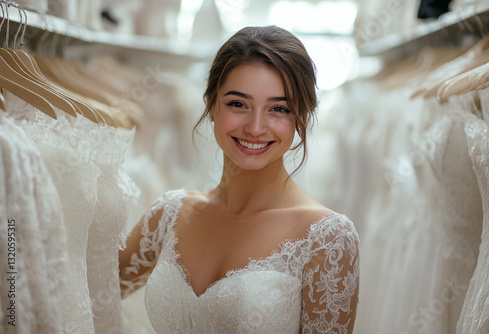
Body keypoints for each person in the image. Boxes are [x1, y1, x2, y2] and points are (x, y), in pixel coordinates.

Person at [119, 25, 359, 334]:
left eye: (279, 109)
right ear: (211, 106)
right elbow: (87, 291)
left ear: (301, 117)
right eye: (238, 104)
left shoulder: (327, 237)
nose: (256, 127)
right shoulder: (170, 214)